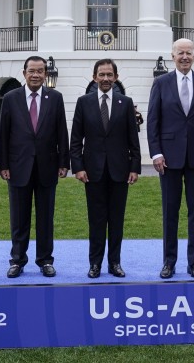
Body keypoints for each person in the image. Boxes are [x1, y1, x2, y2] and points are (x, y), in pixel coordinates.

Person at [147, 38, 194, 279]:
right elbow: (153, 121)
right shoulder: (161, 83)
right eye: (180, 53)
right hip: (168, 159)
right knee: (170, 212)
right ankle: (169, 262)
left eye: (189, 53)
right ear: (172, 56)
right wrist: (156, 152)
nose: (185, 57)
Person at [69, 59, 141, 278]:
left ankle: (115, 263)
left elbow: (133, 139)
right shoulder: (84, 102)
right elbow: (75, 139)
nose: (106, 79)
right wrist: (78, 167)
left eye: (110, 75)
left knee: (116, 220)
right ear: (95, 77)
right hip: (93, 172)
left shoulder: (125, 103)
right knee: (96, 220)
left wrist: (135, 167)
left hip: (120, 171)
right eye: (102, 75)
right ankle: (95, 263)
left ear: (116, 78)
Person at [0, 55, 69, 278]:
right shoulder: (10, 98)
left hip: (48, 166)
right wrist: (4, 164)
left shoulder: (55, 98)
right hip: (18, 167)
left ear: (45, 74)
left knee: (45, 218)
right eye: (32, 71)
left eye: (40, 71)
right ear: (24, 73)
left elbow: (61, 132)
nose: (36, 75)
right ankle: (17, 260)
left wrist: (63, 162)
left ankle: (45, 260)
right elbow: (3, 134)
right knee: (18, 218)